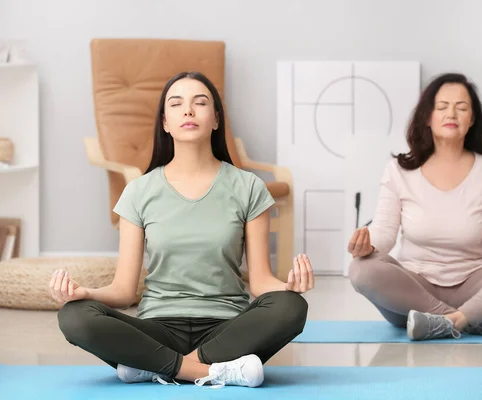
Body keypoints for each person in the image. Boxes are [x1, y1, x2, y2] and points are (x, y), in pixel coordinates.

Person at [49, 71, 314, 387]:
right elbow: (122, 291)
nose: (188, 110)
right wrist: (84, 294)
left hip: (227, 330)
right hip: (158, 328)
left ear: (216, 119)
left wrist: (290, 288)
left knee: (291, 306)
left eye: (200, 103)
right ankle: (212, 372)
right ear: (165, 122)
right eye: (177, 104)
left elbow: (259, 282)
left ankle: (153, 365)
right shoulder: (139, 191)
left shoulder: (249, 187)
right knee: (74, 316)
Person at [346, 72, 482, 341]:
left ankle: (453, 320)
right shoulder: (399, 171)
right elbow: (384, 233)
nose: (451, 113)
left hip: (478, 288)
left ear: (471, 120)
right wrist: (367, 247)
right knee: (360, 268)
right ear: (428, 117)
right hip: (414, 293)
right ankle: (478, 321)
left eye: (461, 108)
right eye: (442, 107)